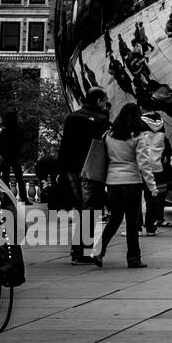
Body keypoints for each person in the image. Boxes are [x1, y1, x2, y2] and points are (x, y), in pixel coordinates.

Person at [91, 104, 155, 269]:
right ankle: (134, 258)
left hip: (113, 182)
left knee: (115, 218)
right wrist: (152, 186)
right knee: (132, 222)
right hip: (132, 182)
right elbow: (143, 164)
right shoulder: (138, 137)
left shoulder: (108, 135)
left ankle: (98, 250)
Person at [57, 88, 111, 264]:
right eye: (104, 100)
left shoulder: (72, 117)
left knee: (81, 208)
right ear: (98, 101)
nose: (106, 104)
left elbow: (64, 145)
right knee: (91, 209)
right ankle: (82, 251)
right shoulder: (101, 120)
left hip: (72, 168)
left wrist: (61, 169)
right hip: (91, 170)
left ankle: (77, 249)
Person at [138, 110, 172, 236]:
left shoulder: (140, 133)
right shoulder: (162, 134)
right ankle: (151, 228)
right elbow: (168, 152)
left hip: (141, 167)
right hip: (156, 168)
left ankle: (138, 227)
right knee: (152, 199)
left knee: (136, 199)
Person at [0, 110, 28, 203]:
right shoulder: (19, 130)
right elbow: (22, 143)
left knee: (6, 178)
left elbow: (0, 144)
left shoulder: (4, 131)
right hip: (15, 156)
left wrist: (1, 155)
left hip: (6, 157)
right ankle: (24, 198)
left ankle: (7, 199)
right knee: (19, 178)